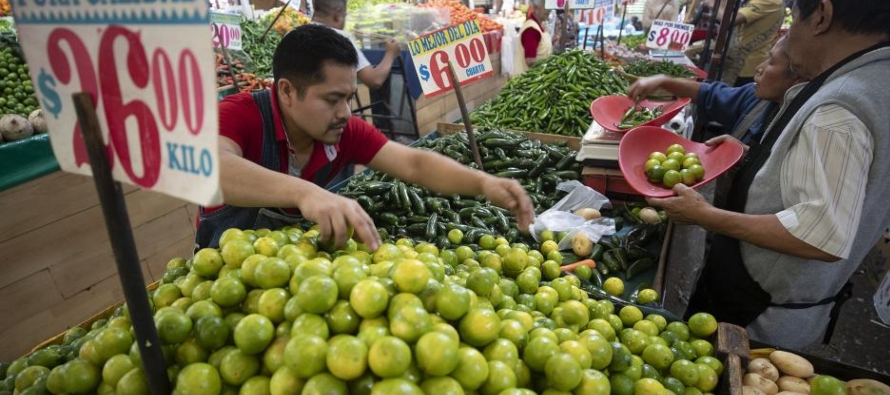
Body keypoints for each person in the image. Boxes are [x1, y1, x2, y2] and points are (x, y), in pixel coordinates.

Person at [647, 0, 890, 348]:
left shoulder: (841, 106)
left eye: (794, 21)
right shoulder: (878, 81)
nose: (789, 37)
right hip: (785, 300)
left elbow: (819, 234)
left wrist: (707, 216)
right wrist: (758, 157)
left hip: (759, 313)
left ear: (821, 15)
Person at [197, 24, 535, 250]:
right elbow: (212, 167)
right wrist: (305, 193)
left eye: (348, 96)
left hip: (290, 279)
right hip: (219, 278)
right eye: (332, 99)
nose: (346, 112)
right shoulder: (239, 115)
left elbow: (414, 163)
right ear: (286, 91)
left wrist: (483, 183)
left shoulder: (341, 131)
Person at [628, 35, 802, 145]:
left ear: (798, 75)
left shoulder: (803, 126)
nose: (759, 68)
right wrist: (663, 80)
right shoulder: (756, 97)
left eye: (771, 62)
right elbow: (708, 94)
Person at [312, 0, 400, 91]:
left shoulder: (301, 33)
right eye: (344, 16)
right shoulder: (342, 38)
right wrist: (390, 53)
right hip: (333, 101)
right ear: (337, 16)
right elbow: (374, 80)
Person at [720, 0, 784, 86]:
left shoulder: (769, 1)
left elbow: (729, 19)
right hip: (737, 61)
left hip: (746, 65)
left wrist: (719, 4)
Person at [514, 0, 552, 74]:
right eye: (545, 7)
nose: (549, 10)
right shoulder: (531, 30)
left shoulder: (538, 26)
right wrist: (550, 66)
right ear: (536, 8)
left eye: (549, 7)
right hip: (526, 80)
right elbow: (530, 60)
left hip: (536, 78)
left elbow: (541, 46)